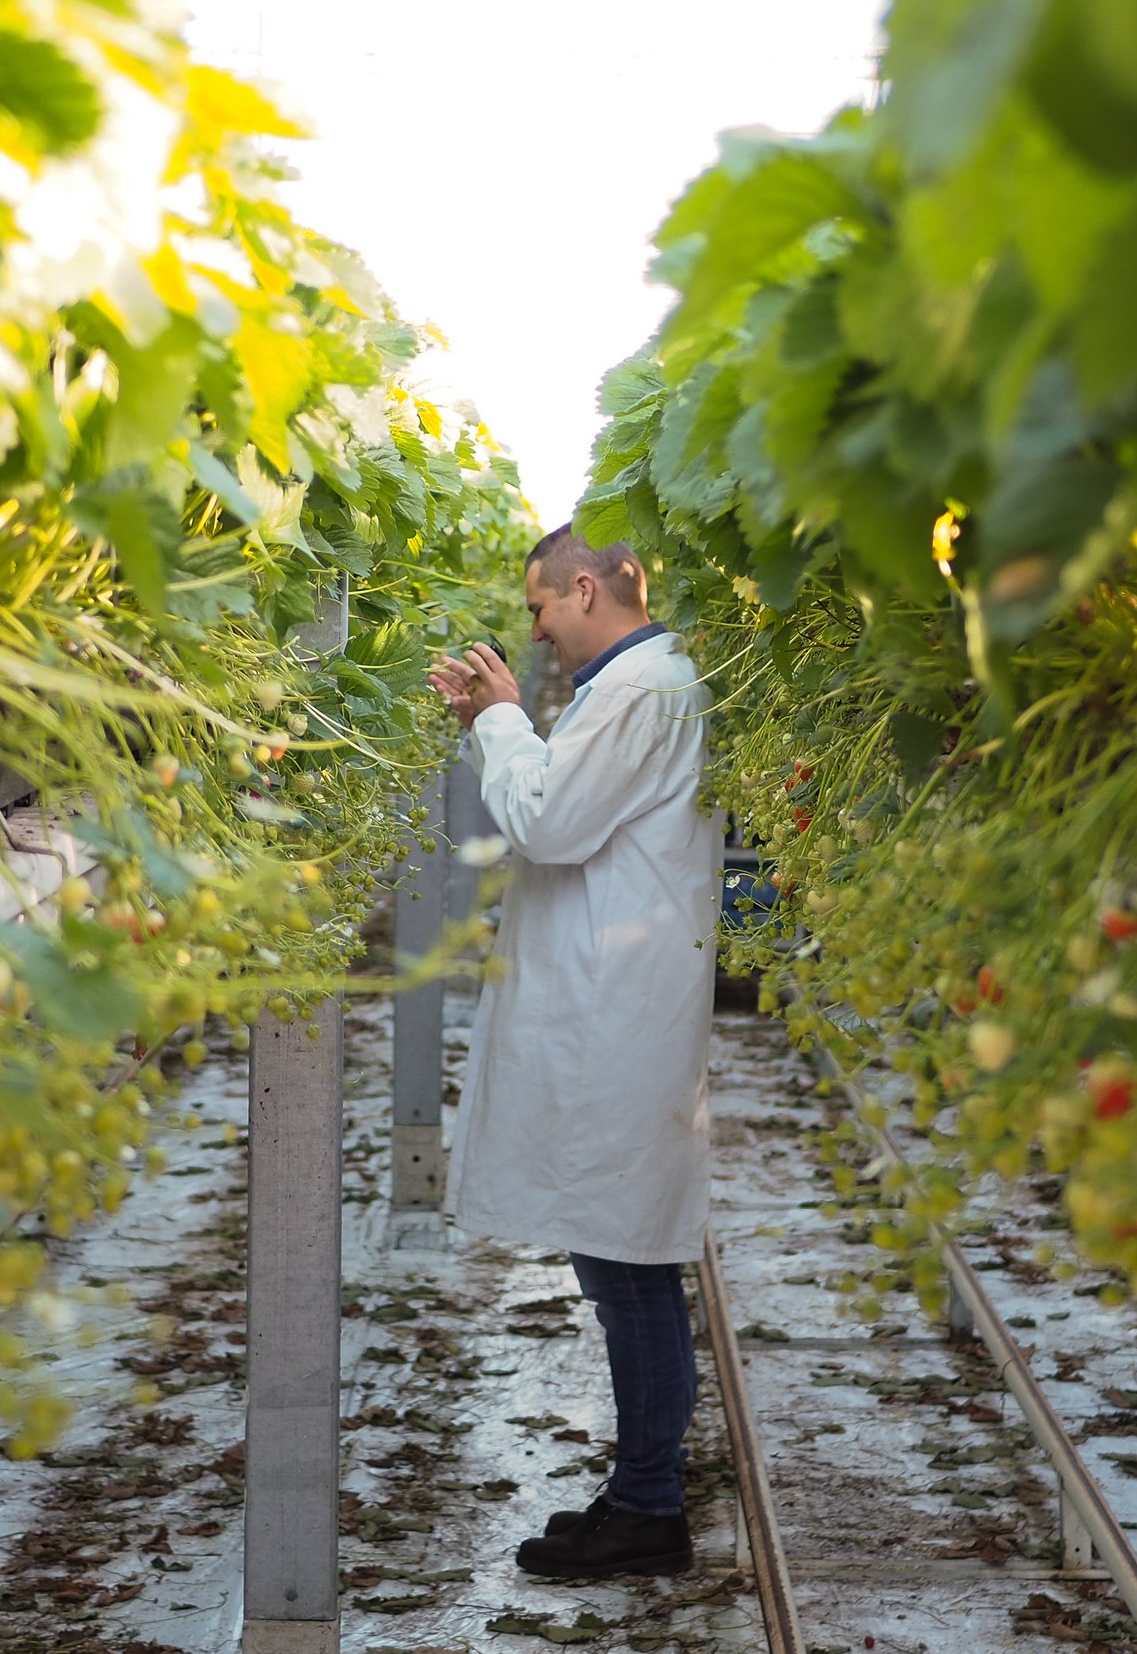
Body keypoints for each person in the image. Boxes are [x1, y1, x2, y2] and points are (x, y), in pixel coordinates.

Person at [426, 525, 719, 1580]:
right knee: (622, 1261)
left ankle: (648, 1508)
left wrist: (503, 718)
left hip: (619, 1015)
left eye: (542, 608)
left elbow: (546, 822)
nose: (537, 630)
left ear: (584, 586)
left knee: (630, 1269)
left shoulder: (642, 687)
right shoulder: (637, 684)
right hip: (614, 1006)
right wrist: (494, 724)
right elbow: (560, 799)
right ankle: (639, 1493)